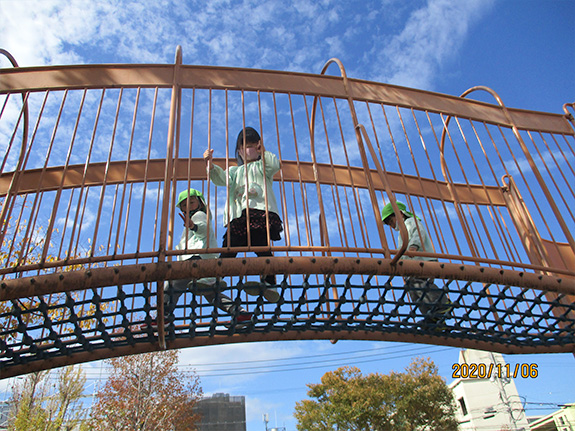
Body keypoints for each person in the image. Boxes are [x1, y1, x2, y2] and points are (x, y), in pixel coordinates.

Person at [151, 188, 252, 327]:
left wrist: (193, 226)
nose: (188, 206)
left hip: (195, 259)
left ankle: (163, 317)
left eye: (191, 202)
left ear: (200, 203)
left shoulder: (199, 215)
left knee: (172, 285)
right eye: (184, 205)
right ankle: (240, 313)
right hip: (205, 260)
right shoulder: (195, 218)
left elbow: (203, 229)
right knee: (211, 295)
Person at [203, 127, 282, 303]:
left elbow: (275, 165)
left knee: (262, 247)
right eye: (246, 146)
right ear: (239, 151)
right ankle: (216, 277)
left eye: (254, 145)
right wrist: (210, 165)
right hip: (239, 216)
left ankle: (269, 283)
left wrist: (265, 152)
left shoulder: (263, 167)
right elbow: (220, 179)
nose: (250, 149)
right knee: (229, 247)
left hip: (260, 213)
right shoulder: (234, 171)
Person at [381, 201, 452, 325]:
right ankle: (433, 319)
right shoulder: (401, 231)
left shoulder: (410, 222)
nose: (391, 226)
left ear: (400, 214)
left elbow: (418, 233)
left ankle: (442, 304)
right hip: (412, 265)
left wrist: (414, 246)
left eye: (391, 221)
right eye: (388, 224)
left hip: (422, 261)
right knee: (414, 292)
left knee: (418, 285)